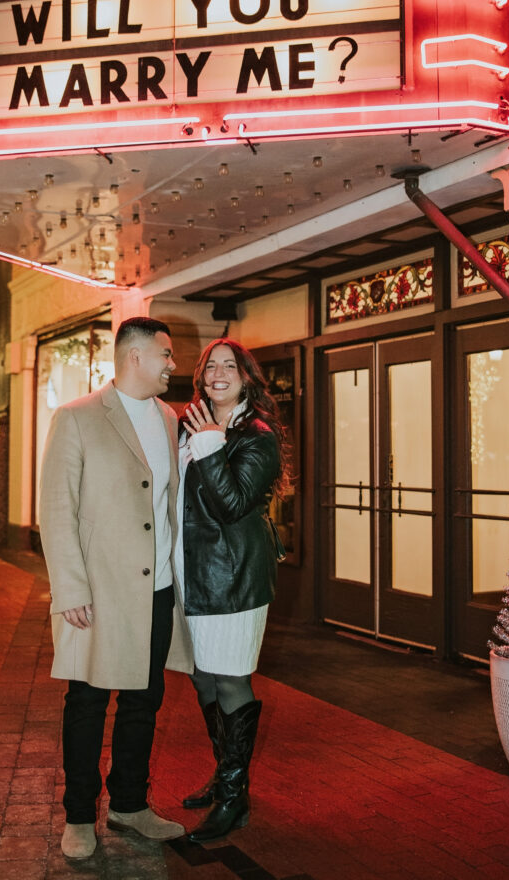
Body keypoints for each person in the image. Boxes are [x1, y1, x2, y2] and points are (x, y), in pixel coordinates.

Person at [38, 316, 193, 861]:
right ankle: (79, 815)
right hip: (98, 592)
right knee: (86, 701)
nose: (173, 364)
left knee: (143, 702)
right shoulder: (77, 417)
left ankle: (130, 804)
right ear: (135, 357)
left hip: (158, 590)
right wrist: (70, 589)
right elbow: (56, 510)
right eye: (166, 355)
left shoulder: (170, 420)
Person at [175, 338, 287, 843]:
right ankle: (226, 777)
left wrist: (210, 445)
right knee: (202, 679)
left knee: (230, 680)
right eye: (210, 366)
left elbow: (231, 504)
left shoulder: (255, 434)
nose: (219, 373)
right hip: (193, 574)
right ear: (200, 377)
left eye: (230, 366)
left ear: (246, 378)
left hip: (234, 576)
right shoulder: (192, 425)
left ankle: (235, 798)